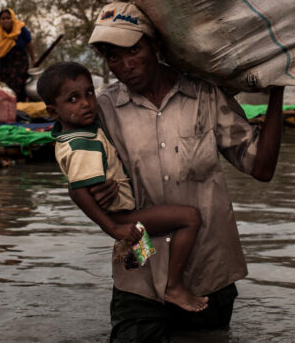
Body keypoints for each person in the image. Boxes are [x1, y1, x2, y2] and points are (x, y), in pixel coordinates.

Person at [86, 2, 285, 343]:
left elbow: (262, 169)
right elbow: (85, 175)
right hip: (141, 263)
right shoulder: (104, 109)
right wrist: (98, 186)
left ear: (155, 46)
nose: (125, 65)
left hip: (209, 266)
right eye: (113, 57)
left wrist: (278, 93)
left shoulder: (204, 95)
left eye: (133, 50)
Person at [37, 61, 208, 313]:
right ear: (54, 111)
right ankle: (173, 285)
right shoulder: (82, 145)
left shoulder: (75, 132)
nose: (85, 103)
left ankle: (140, 274)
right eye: (73, 99)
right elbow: (77, 191)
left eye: (89, 94)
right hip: (121, 214)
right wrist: (113, 226)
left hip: (122, 211)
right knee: (190, 218)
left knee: (142, 250)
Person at [0, 8, 35, 100]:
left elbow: (28, 44)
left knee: (19, 85)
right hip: (5, 64)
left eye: (8, 18)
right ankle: (8, 109)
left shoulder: (21, 29)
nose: (6, 20)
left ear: (12, 18)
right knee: (5, 87)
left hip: (20, 62)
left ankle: (20, 109)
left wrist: (33, 59)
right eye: (3, 18)